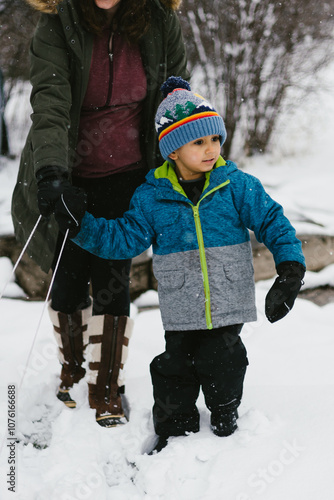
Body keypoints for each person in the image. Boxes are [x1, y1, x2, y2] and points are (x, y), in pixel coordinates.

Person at [55, 75, 306, 453]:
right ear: (172, 150)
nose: (211, 149)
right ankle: (175, 427)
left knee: (221, 358)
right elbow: (123, 239)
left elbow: (274, 222)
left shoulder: (236, 185)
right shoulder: (151, 197)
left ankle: (224, 413)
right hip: (180, 305)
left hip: (228, 299)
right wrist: (80, 225)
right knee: (174, 367)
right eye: (199, 142)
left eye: (215, 139)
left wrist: (290, 270)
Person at [11, 0, 189, 427]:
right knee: (68, 279)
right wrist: (53, 172)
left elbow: (174, 94)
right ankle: (74, 367)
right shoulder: (56, 22)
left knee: (113, 279)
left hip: (128, 175)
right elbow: (51, 103)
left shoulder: (159, 19)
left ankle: (106, 384)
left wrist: (181, 159)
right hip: (70, 172)